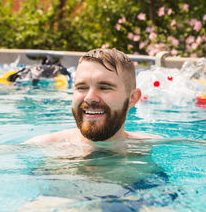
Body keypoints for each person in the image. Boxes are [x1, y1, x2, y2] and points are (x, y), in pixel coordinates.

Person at [25, 48, 161, 144]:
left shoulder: (154, 146)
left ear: (132, 98)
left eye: (104, 87)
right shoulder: (42, 148)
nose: (89, 97)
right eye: (81, 87)